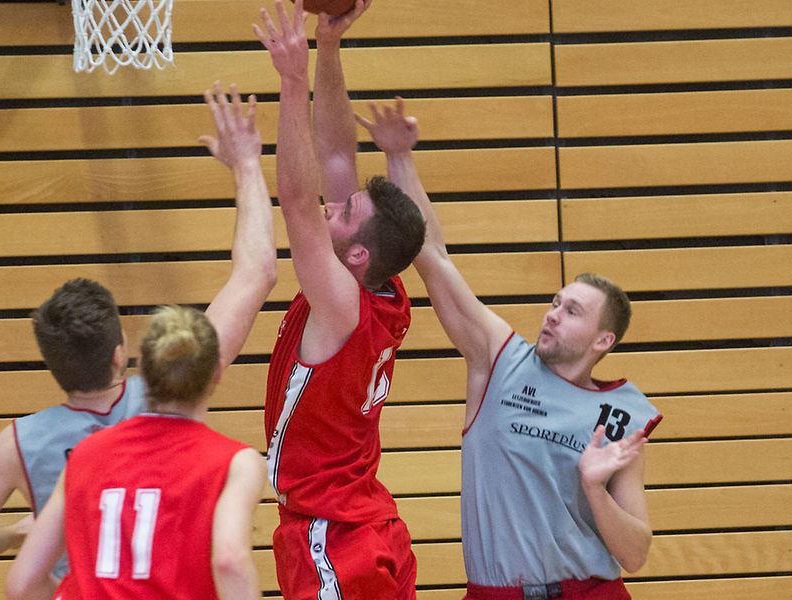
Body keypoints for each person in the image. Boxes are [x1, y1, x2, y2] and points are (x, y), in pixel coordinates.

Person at [0, 83, 278, 583]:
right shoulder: (169, 382)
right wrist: (247, 166)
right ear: (121, 354)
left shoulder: (19, 443)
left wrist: (11, 537)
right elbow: (256, 271)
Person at [357, 98, 662, 600]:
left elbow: (635, 554)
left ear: (603, 341)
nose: (552, 313)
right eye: (556, 302)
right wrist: (398, 157)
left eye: (572, 312)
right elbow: (431, 255)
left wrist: (592, 487)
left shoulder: (622, 417)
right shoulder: (499, 358)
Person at [255, 0, 427, 597]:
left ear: (357, 254)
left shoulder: (340, 306)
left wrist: (293, 79)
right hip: (367, 518)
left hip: (333, 535)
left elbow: (299, 203)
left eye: (347, 210)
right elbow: (334, 154)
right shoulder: (383, 289)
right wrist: (328, 48)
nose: (337, 201)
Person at [6, 306, 266, 600]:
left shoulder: (86, 453)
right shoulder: (236, 462)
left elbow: (22, 584)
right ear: (217, 372)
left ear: (141, 368)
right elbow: (229, 560)